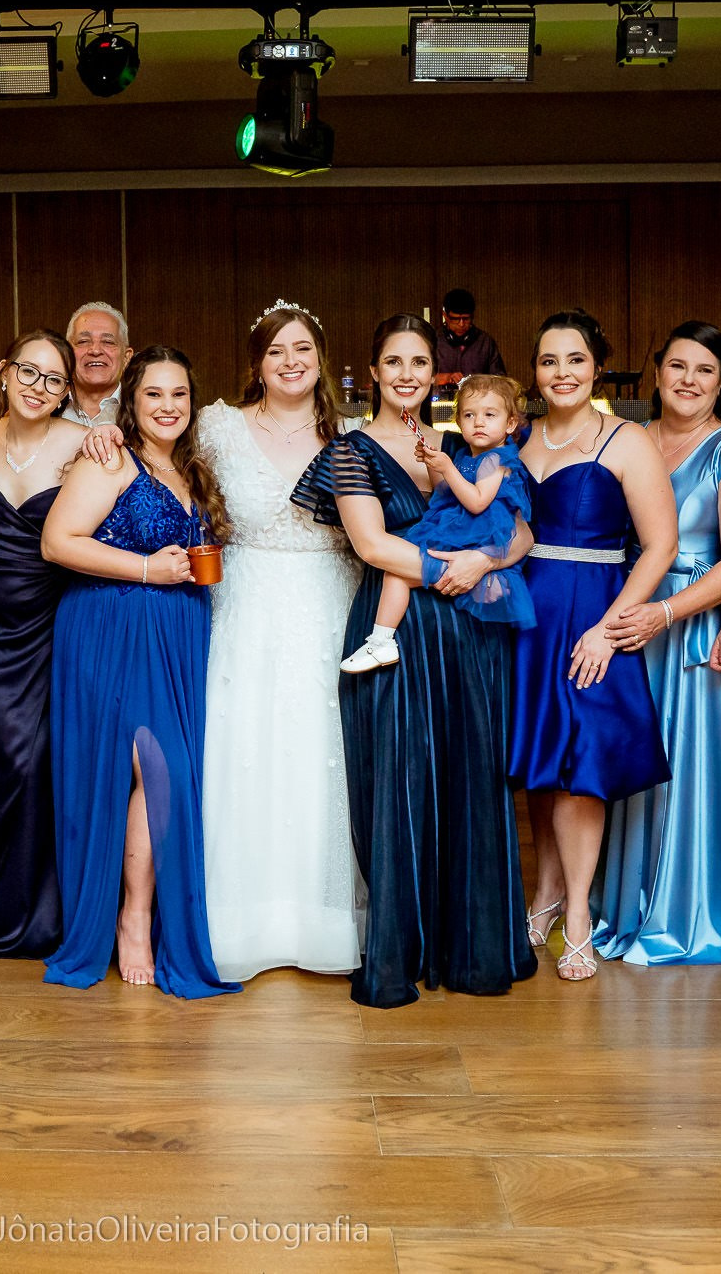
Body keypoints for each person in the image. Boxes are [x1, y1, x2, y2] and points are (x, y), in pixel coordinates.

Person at [80, 301, 365, 983]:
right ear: (256, 364)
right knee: (239, 755)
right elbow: (148, 446)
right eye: (276, 351)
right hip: (240, 607)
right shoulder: (216, 424)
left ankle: (321, 920)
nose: (291, 361)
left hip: (329, 604)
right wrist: (95, 436)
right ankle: (235, 919)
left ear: (321, 358)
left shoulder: (352, 434)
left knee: (321, 758)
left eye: (303, 348)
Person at [293, 313, 537, 1009]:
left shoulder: (465, 444)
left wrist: (483, 559)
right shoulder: (349, 450)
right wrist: (443, 566)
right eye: (393, 361)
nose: (407, 374)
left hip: (469, 628)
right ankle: (404, 950)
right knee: (397, 780)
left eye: (419, 362)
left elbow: (522, 531)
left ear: (438, 374)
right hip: (394, 627)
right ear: (372, 373)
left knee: (468, 777)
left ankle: (472, 945)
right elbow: (371, 545)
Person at [41, 347, 238, 998]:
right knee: (158, 772)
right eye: (154, 394)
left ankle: (140, 913)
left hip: (175, 631)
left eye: (179, 394)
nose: (168, 406)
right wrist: (150, 569)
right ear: (133, 399)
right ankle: (132, 918)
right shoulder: (111, 458)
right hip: (114, 626)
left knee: (159, 776)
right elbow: (59, 541)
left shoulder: (186, 468)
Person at [512, 309, 679, 983]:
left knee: (581, 765)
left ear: (597, 366)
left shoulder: (626, 441)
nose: (561, 373)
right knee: (537, 758)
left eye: (574, 359)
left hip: (594, 612)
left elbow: (661, 545)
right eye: (549, 361)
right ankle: (544, 892)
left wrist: (610, 627)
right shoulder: (517, 440)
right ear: (535, 371)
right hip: (528, 612)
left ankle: (578, 910)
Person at [594, 322, 721, 967]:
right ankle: (625, 907)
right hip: (627, 613)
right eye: (676, 366)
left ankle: (690, 913)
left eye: (704, 370)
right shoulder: (631, 439)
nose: (688, 381)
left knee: (686, 769)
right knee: (628, 765)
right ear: (656, 370)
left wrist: (667, 612)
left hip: (689, 619)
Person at [0, 329, 88, 959]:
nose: (39, 388)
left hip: (48, 624)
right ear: (3, 372)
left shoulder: (87, 444)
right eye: (29, 372)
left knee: (36, 765)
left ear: (66, 391)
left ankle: (38, 915)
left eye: (54, 379)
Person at [340, 373, 535, 673]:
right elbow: (447, 496)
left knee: (396, 575)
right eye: (469, 415)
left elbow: (477, 501)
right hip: (462, 533)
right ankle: (381, 641)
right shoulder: (469, 456)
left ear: (510, 425)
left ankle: (381, 641)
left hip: (474, 538)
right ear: (458, 421)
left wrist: (447, 467)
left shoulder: (498, 459)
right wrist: (436, 467)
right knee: (397, 576)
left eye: (489, 415)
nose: (478, 422)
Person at [61, 302, 131, 427]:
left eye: (108, 342)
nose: (95, 350)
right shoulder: (47, 406)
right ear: (66, 353)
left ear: (126, 357)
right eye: (83, 341)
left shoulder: (142, 410)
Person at [437, 288, 504, 381]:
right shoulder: (433, 341)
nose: (461, 324)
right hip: (442, 394)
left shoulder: (485, 342)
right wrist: (445, 378)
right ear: (445, 316)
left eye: (466, 319)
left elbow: (499, 378)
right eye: (455, 319)